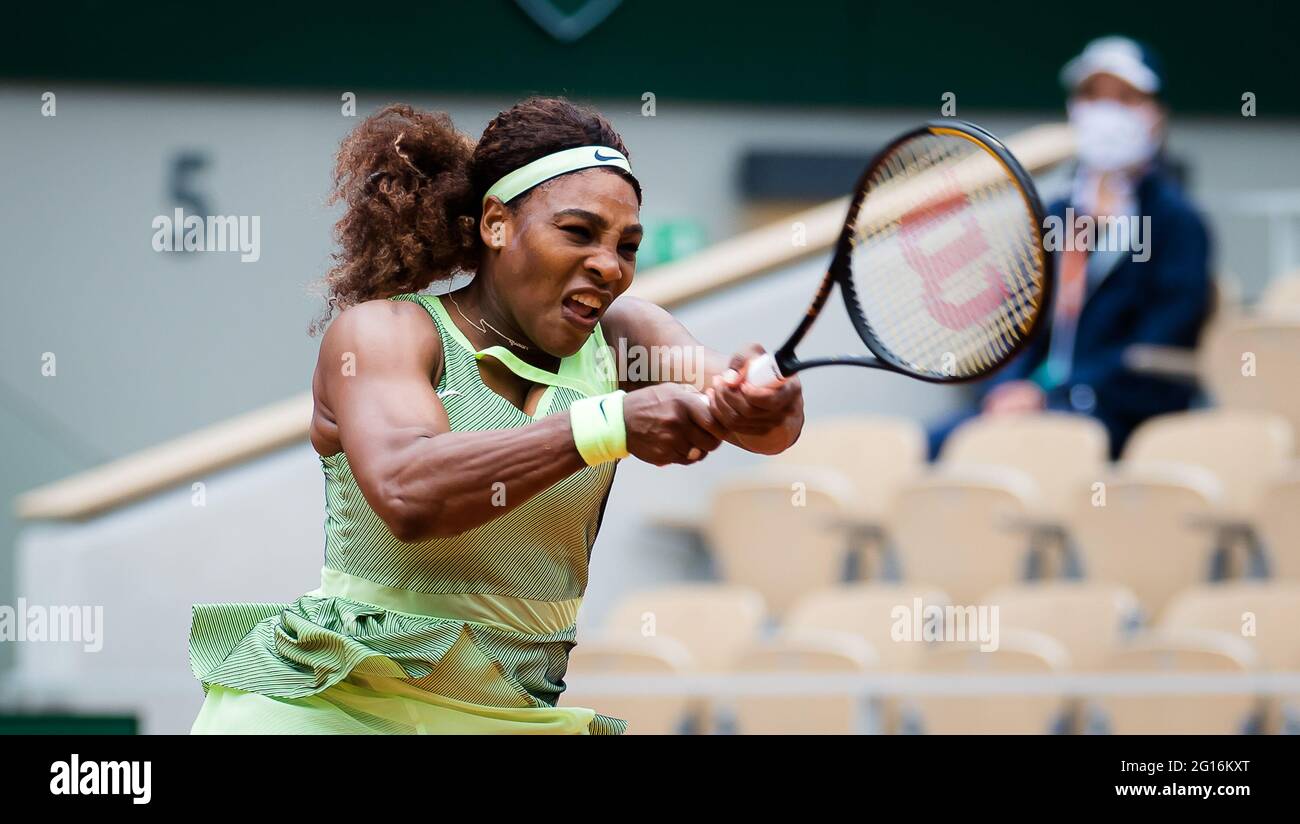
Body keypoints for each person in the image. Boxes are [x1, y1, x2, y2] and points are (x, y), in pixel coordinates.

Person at [187, 99, 805, 734]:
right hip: (333, 712)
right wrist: (609, 424)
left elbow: (769, 427)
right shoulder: (384, 332)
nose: (609, 264)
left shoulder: (627, 336)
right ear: (495, 224)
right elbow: (409, 490)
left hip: (506, 717)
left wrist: (762, 400)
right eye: (578, 232)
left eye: (628, 245)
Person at [929, 36, 1212, 459]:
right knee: (936, 446)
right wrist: (1007, 390)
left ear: (1157, 114)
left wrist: (1063, 394)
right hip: (1030, 408)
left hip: (1116, 418)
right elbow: (1013, 325)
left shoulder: (1177, 223)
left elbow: (1158, 348)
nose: (1106, 111)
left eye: (1126, 97)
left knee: (1035, 455)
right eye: (1092, 96)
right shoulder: (1057, 214)